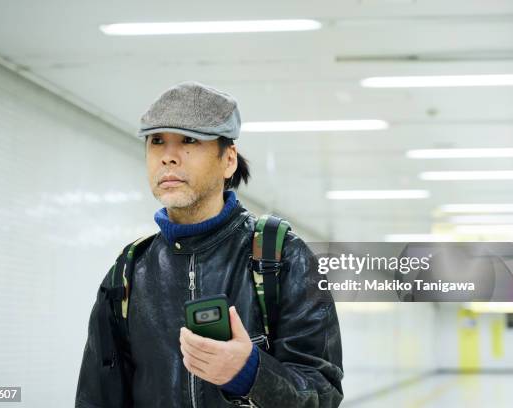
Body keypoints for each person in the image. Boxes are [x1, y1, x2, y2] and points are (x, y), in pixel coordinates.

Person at [75, 81, 344, 407]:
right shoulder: (129, 272)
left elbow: (323, 394)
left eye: (189, 140)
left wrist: (250, 373)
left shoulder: (283, 257)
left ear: (228, 159)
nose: (168, 158)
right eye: (157, 141)